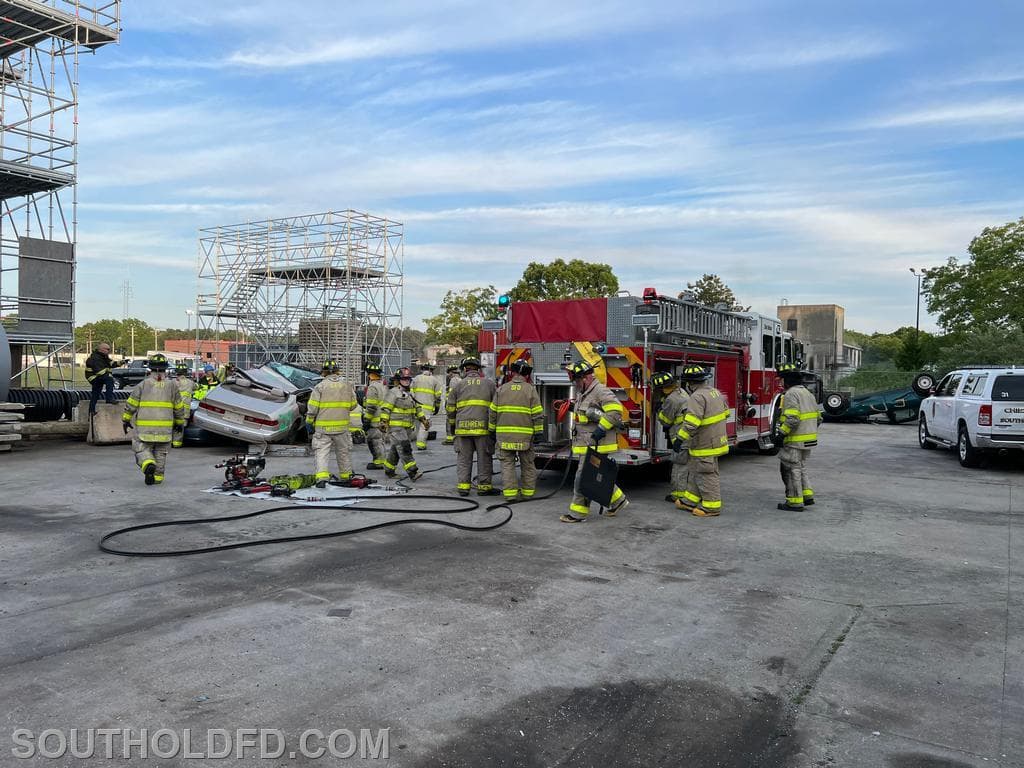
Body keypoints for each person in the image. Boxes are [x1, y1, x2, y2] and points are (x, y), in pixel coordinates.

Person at [561, 360, 628, 523]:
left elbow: (616, 411)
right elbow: (585, 415)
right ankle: (618, 501)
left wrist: (601, 429)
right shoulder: (584, 392)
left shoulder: (600, 391)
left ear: (585, 378)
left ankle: (578, 514)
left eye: (576, 380)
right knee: (597, 477)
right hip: (586, 443)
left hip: (597, 443)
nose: (575, 384)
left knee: (583, 478)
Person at [672, 365, 729, 517]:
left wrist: (679, 439)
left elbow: (691, 423)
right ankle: (689, 501)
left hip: (705, 444)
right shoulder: (715, 392)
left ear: (690, 383)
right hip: (715, 441)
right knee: (697, 471)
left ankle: (711, 507)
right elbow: (726, 413)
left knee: (706, 474)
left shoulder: (696, 397)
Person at [121, 353, 186, 485]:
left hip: (145, 428)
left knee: (141, 448)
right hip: (165, 429)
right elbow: (179, 406)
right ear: (166, 369)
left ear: (149, 369)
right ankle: (157, 478)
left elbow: (132, 404)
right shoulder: (172, 386)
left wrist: (126, 420)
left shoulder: (143, 384)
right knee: (161, 452)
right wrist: (179, 422)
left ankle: (148, 463)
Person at [489, 358, 543, 503]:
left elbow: (492, 412)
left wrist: (491, 431)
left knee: (507, 465)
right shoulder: (531, 390)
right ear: (526, 375)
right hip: (525, 438)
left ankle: (511, 495)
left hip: (504, 436)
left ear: (512, 373)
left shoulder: (501, 389)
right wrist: (538, 433)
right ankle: (527, 493)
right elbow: (537, 414)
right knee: (528, 464)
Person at [446, 356, 497, 496]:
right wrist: (494, 428)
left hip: (462, 430)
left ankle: (463, 488)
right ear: (479, 369)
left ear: (464, 369)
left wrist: (452, 427)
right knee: (484, 458)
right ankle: (484, 488)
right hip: (483, 430)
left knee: (463, 459)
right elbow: (495, 408)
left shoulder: (457, 385)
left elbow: (450, 409)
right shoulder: (489, 384)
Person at [305, 359, 358, 488]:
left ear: (323, 373)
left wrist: (309, 422)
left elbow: (312, 408)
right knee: (343, 452)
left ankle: (322, 479)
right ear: (337, 371)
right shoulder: (347, 385)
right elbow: (353, 405)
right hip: (342, 427)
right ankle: (346, 477)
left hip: (323, 428)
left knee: (322, 452)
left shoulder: (320, 387)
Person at [775, 363, 821, 510]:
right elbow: (819, 418)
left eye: (781, 379)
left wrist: (781, 434)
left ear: (787, 381)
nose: (780, 382)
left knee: (790, 469)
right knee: (801, 467)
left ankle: (795, 502)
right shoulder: (808, 393)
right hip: (808, 440)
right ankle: (807, 496)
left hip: (795, 440)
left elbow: (792, 419)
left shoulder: (790, 394)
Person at [380, 368, 424, 481]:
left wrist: (423, 419)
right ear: (398, 380)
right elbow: (386, 408)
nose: (406, 381)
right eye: (404, 379)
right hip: (396, 428)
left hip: (407, 428)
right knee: (405, 448)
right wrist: (384, 422)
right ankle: (413, 472)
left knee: (396, 448)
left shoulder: (410, 394)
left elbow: (417, 407)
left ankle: (389, 469)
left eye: (408, 379)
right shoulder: (393, 392)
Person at [652, 370, 689, 504]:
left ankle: (678, 495)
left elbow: (666, 421)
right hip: (688, 436)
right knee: (686, 467)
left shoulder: (671, 400)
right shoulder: (681, 392)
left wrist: (659, 410)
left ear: (662, 388)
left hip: (681, 437)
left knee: (679, 467)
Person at [362, 362, 389, 470]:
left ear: (369, 374)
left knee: (374, 441)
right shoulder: (383, 385)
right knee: (380, 441)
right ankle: (381, 460)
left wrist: (367, 420)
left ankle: (379, 462)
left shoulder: (373, 387)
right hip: (383, 418)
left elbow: (372, 406)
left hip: (375, 420)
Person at [410, 362, 443, 450]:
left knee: (417, 424)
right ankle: (421, 445)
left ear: (422, 369)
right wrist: (437, 407)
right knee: (424, 425)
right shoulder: (435, 380)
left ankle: (414, 440)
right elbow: (438, 396)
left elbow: (411, 391)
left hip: (415, 406)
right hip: (427, 408)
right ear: (431, 370)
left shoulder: (416, 378)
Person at [84, 342, 116, 414]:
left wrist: (122, 362)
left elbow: (111, 363)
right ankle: (109, 398)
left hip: (98, 377)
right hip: (94, 377)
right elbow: (99, 371)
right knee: (109, 379)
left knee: (95, 395)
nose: (109, 351)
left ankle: (91, 412)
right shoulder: (95, 358)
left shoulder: (103, 357)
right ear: (102, 349)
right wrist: (108, 374)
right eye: (107, 349)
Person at [443, 364, 461, 445]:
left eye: (448, 373)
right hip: (459, 404)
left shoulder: (453, 380)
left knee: (449, 420)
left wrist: (448, 404)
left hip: (453, 404)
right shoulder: (460, 379)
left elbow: (451, 394)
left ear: (451, 372)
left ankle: (450, 438)